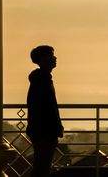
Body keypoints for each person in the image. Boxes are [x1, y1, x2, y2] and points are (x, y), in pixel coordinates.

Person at [26, 45, 64, 177]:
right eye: (51, 55)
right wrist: (56, 127)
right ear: (43, 59)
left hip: (41, 131)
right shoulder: (43, 81)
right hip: (45, 131)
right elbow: (48, 108)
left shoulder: (40, 79)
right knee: (42, 167)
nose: (55, 58)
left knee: (41, 166)